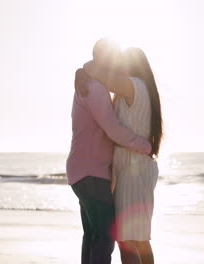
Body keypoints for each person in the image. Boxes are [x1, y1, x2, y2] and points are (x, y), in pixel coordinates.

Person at [66, 39, 152, 264]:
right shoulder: (95, 88)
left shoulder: (88, 86)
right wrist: (144, 145)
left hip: (82, 171)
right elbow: (113, 129)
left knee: (93, 235)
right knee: (105, 236)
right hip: (92, 173)